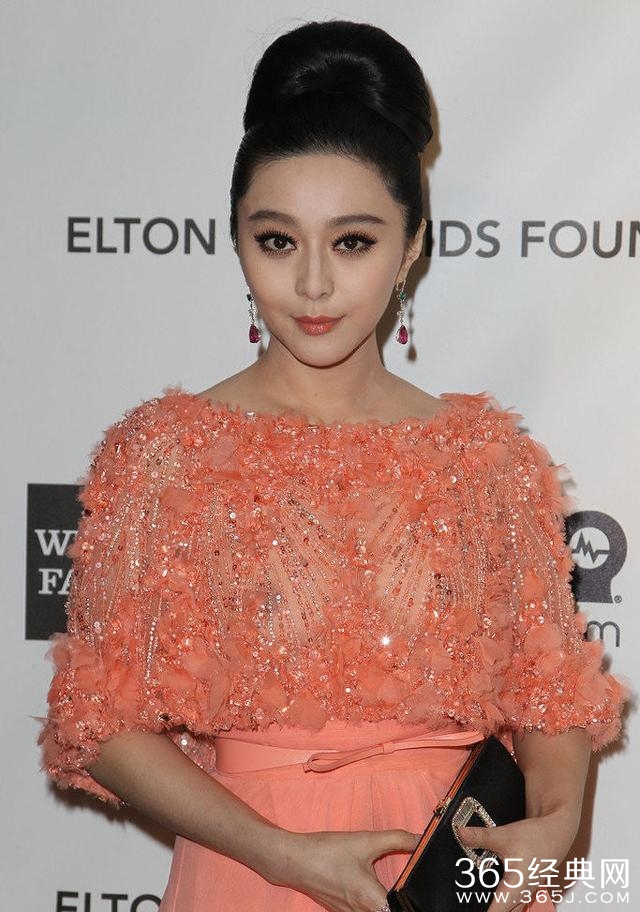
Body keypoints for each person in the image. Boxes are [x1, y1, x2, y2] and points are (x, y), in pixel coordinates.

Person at [37, 18, 628, 912]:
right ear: (237, 241)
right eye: (277, 240)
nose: (313, 284)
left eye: (352, 241)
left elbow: (547, 692)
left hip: (448, 876)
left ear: (411, 246)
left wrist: (555, 818)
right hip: (252, 871)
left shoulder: (488, 459)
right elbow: (101, 721)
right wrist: (279, 854)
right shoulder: (161, 456)